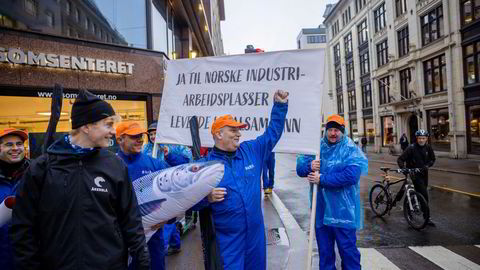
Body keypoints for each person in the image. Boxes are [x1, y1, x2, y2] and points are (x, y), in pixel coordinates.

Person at [11, 90, 150, 270]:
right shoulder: (42, 168)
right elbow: (23, 227)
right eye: (108, 124)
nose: (113, 131)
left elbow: (131, 220)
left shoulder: (115, 165)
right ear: (86, 126)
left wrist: (143, 261)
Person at [194, 90, 289, 269]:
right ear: (218, 134)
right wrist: (206, 198)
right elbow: (186, 202)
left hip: (255, 236)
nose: (238, 134)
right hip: (228, 241)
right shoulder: (204, 167)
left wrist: (280, 106)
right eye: (233, 130)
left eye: (239, 130)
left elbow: (272, 134)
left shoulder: (251, 150)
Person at [296, 114, 368, 270]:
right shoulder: (316, 148)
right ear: (325, 130)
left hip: (343, 212)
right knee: (325, 253)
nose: (333, 133)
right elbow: (300, 170)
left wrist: (322, 179)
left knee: (348, 253)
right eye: (330, 129)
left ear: (342, 131)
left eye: (336, 130)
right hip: (321, 210)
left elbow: (351, 176)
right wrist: (310, 166)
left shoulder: (350, 149)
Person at [116, 121, 189, 269]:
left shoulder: (154, 164)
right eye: (133, 136)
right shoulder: (111, 165)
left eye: (140, 136)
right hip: (123, 236)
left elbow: (171, 194)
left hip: (153, 235)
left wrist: (167, 218)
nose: (139, 139)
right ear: (120, 139)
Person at [142, 121, 191, 256]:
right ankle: (175, 244)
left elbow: (186, 163)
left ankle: (161, 249)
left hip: (170, 187)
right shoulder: (146, 148)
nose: (153, 136)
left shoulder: (174, 146)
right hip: (153, 187)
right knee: (168, 218)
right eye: (150, 134)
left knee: (167, 217)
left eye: (155, 133)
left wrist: (169, 155)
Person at [0, 128, 30, 270]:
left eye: (19, 144)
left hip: (29, 256)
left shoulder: (36, 173)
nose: (15, 148)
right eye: (9, 145)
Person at [397, 129, 436, 226]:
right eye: (419, 138)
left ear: (426, 139)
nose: (421, 140)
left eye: (423, 138)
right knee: (424, 194)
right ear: (417, 138)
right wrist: (404, 168)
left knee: (417, 194)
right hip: (413, 174)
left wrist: (427, 166)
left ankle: (410, 209)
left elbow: (432, 159)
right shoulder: (411, 148)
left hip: (424, 174)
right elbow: (400, 159)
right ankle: (427, 217)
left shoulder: (428, 148)